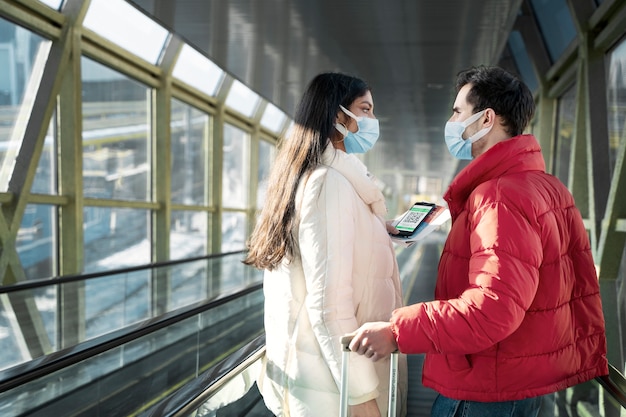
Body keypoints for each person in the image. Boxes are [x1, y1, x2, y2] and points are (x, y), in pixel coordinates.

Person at [347, 65, 609, 417]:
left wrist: (397, 331)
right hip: (520, 380)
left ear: (487, 119)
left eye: (457, 112)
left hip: (486, 390)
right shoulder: (548, 187)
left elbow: (493, 309)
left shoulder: (500, 195)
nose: (452, 121)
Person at [244, 72, 408, 417]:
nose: (373, 120)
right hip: (336, 392)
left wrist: (376, 230)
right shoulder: (330, 184)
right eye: (365, 109)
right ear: (338, 116)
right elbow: (328, 306)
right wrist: (361, 397)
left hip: (325, 380)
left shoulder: (321, 178)